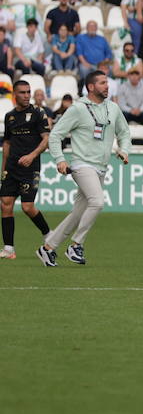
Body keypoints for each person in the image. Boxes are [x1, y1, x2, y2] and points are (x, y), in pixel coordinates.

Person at [35, 71, 131, 267]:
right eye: (103, 83)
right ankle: (76, 245)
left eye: (107, 82)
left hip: (101, 167)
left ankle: (48, 249)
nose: (107, 86)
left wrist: (124, 150)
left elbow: (125, 132)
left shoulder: (112, 108)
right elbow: (55, 136)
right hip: (81, 164)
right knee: (97, 202)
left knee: (78, 213)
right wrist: (60, 159)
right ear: (91, 87)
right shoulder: (77, 109)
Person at [0, 80, 52, 260]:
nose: (26, 95)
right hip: (12, 167)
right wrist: (3, 168)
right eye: (22, 92)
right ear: (15, 94)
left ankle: (48, 234)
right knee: (5, 203)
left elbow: (46, 139)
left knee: (27, 207)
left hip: (30, 168)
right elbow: (6, 143)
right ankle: (8, 248)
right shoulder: (10, 116)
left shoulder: (38, 113)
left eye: (28, 92)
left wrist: (32, 156)